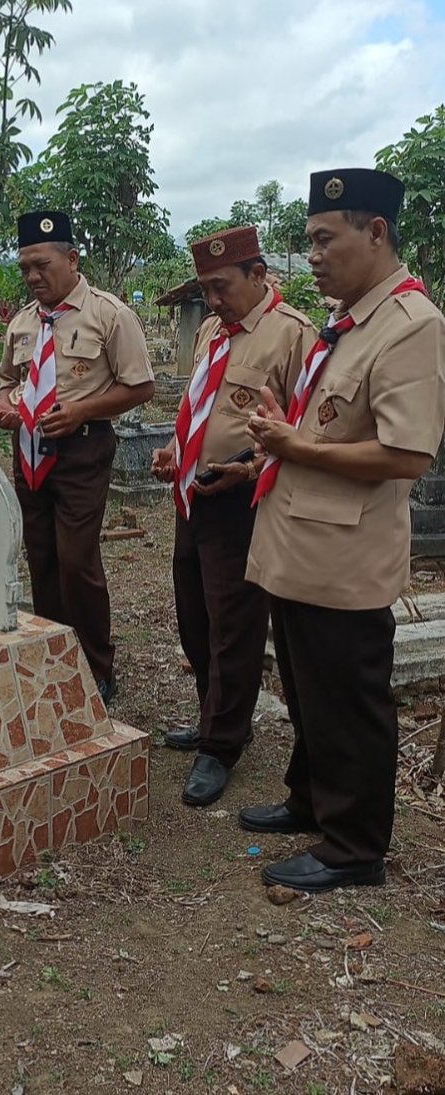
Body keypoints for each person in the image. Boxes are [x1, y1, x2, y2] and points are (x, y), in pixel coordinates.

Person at [241, 168, 445, 893]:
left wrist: (300, 447)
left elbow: (407, 452)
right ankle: (311, 800)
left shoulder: (411, 326)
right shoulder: (352, 317)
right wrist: (289, 428)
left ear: (377, 232)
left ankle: (355, 846)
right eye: (309, 241)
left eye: (326, 240)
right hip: (302, 540)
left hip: (345, 553)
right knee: (307, 685)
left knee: (349, 697)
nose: (315, 255)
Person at [152, 227, 316, 806]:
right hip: (194, 497)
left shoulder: (293, 336)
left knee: (235, 628)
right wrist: (176, 449)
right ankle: (214, 715)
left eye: (222, 287)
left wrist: (247, 469)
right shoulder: (209, 331)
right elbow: (198, 402)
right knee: (195, 620)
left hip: (244, 503)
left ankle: (222, 745)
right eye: (205, 288)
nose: (213, 299)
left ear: (257, 274)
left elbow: (307, 432)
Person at [0, 211, 154, 701]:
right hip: (30, 451)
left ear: (72, 258)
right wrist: (8, 406)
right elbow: (7, 380)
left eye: (42, 265)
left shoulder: (108, 314)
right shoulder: (22, 323)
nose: (33, 277)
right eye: (25, 269)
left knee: (77, 560)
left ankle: (97, 666)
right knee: (40, 556)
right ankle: (54, 655)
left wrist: (82, 411)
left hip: (81, 451)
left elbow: (140, 385)